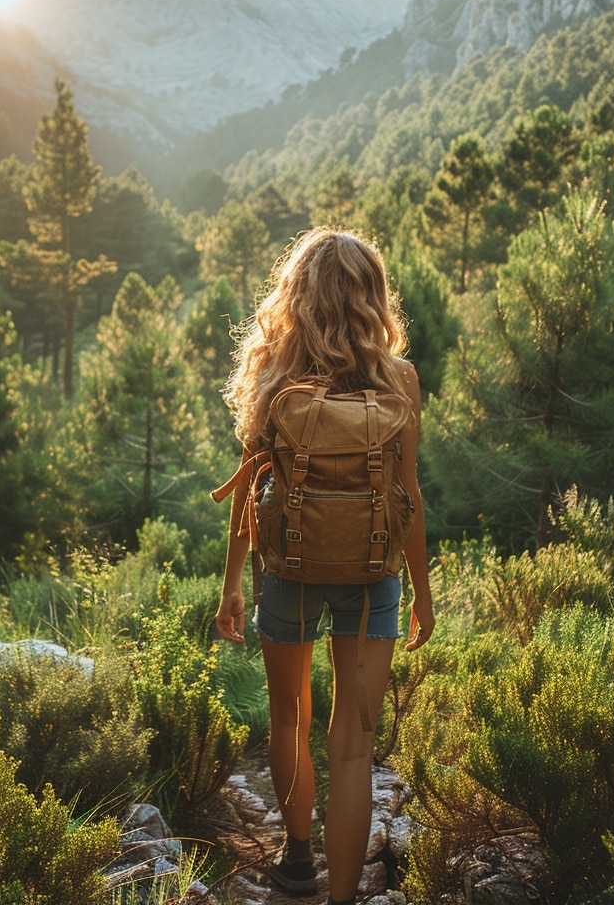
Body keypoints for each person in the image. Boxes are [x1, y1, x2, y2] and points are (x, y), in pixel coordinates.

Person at [214, 228, 434, 905]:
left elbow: (253, 494)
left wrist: (229, 585)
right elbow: (410, 496)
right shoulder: (399, 380)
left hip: (290, 575)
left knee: (290, 717)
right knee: (353, 744)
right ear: (373, 298)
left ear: (296, 296)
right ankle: (344, 898)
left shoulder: (275, 377)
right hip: (374, 580)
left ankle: (298, 858)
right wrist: (422, 592)